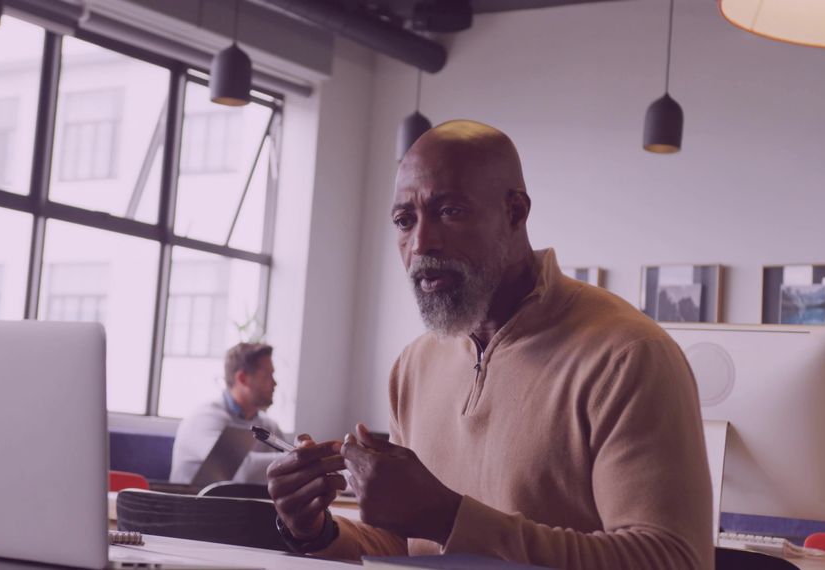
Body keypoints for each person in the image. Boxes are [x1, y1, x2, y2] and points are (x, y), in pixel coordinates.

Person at [266, 120, 713, 570]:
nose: (422, 243)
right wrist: (316, 528)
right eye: (405, 221)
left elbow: (672, 560)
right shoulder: (414, 365)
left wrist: (451, 517)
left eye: (450, 211)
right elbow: (404, 549)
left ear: (515, 212)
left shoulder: (628, 354)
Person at [170, 342, 284, 485]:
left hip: (237, 505)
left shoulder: (269, 426)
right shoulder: (204, 418)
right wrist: (295, 459)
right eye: (267, 376)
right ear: (242, 378)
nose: (275, 383)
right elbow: (240, 471)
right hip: (192, 505)